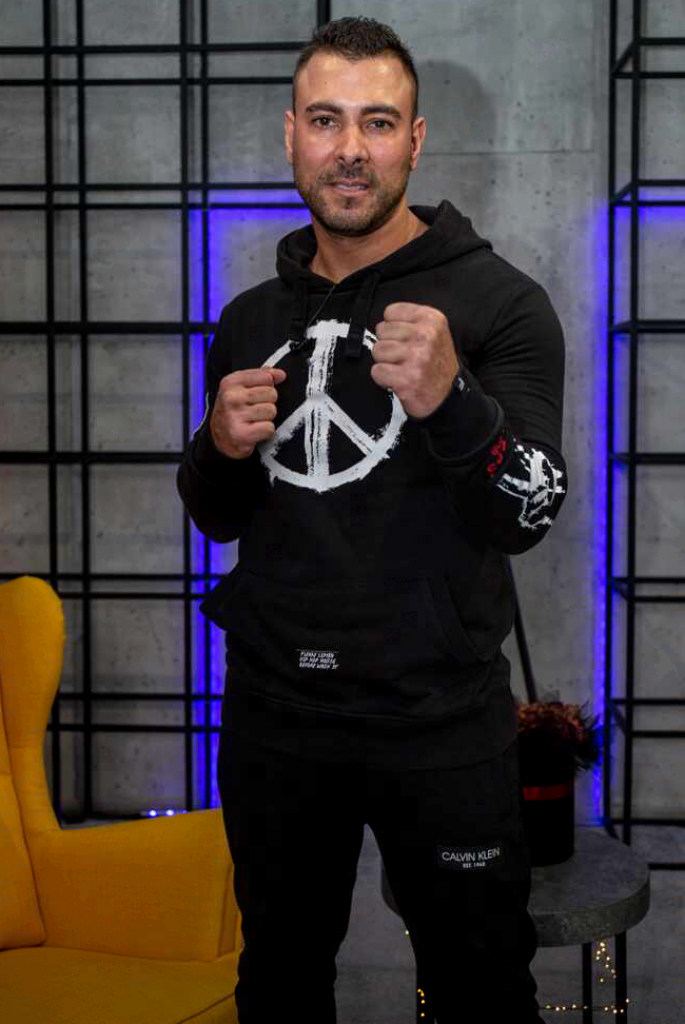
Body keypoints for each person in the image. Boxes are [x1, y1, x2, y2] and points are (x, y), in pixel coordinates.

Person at [176, 15, 567, 1024]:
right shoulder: (250, 318)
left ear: (415, 140)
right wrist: (216, 446)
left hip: (438, 721)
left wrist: (454, 402)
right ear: (290, 135)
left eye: (377, 122)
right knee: (279, 981)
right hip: (275, 716)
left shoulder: (500, 304)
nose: (349, 148)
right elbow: (216, 517)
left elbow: (531, 508)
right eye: (325, 120)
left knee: (482, 990)